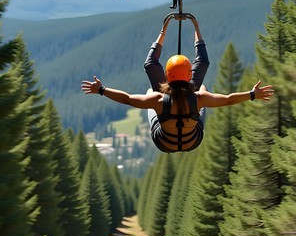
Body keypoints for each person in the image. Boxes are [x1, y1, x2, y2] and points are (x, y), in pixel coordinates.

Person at [81, 16, 274, 153]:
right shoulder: (199, 98)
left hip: (164, 142)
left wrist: (102, 90)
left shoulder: (157, 98)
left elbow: (127, 98)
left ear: (166, 75)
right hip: (193, 141)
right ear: (189, 74)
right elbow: (228, 98)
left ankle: (169, 95)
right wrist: (251, 94)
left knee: (151, 91)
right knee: (203, 90)